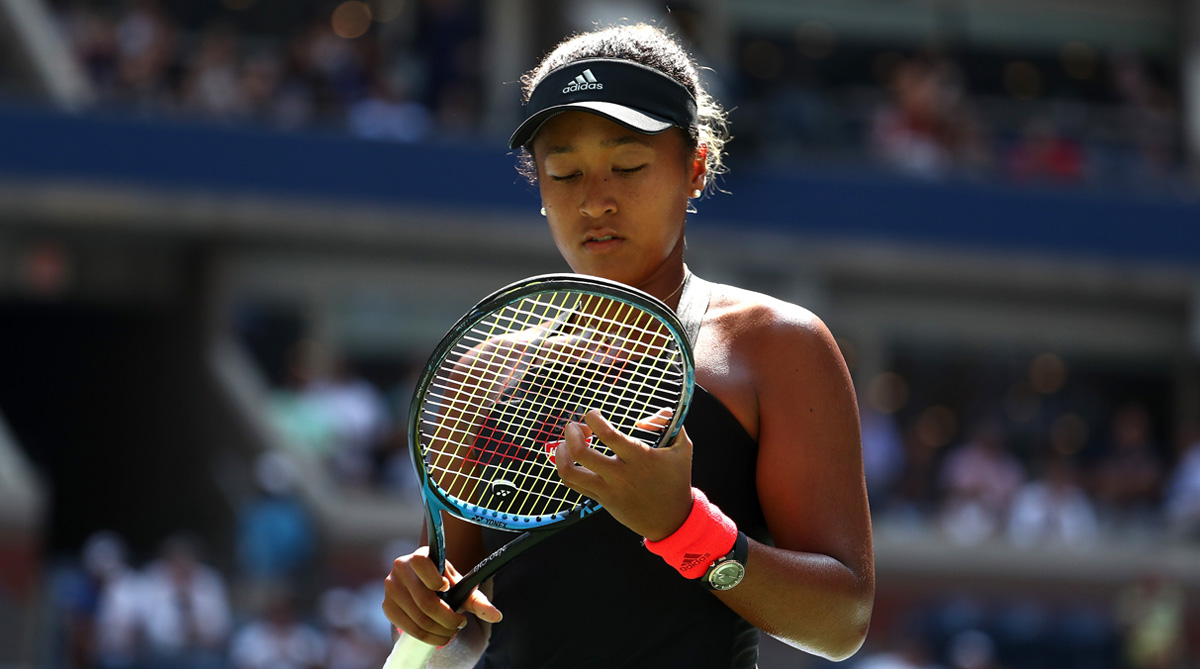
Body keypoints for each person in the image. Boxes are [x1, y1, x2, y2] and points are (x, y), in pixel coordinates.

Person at [383, 23, 874, 667]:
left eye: (629, 166)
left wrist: (685, 530)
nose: (595, 201)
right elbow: (467, 625)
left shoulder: (777, 347)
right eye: (564, 173)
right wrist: (425, 613)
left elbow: (842, 623)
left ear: (695, 166)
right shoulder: (482, 368)